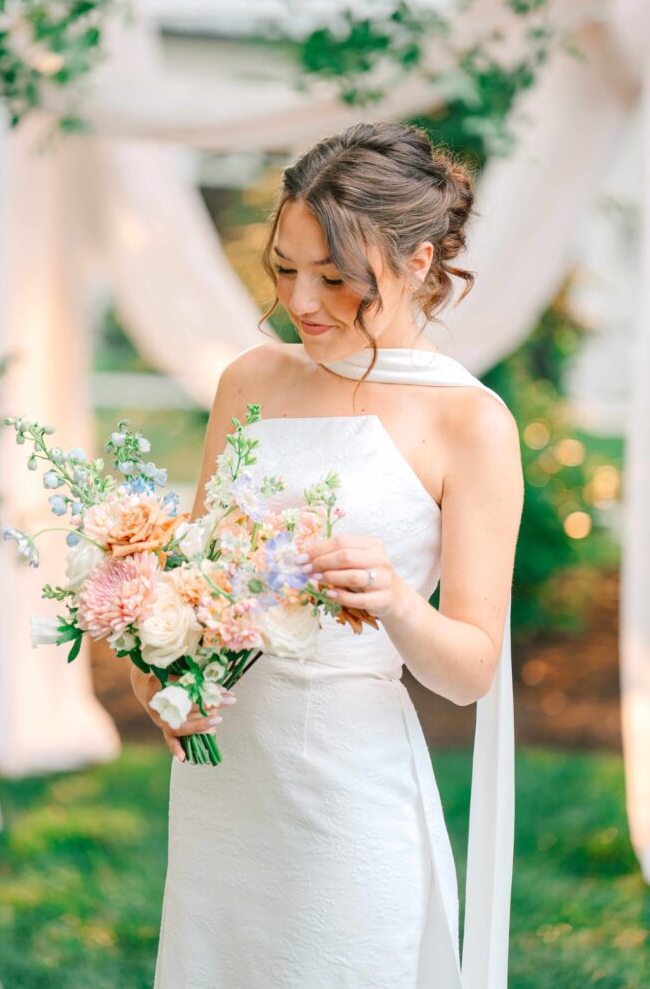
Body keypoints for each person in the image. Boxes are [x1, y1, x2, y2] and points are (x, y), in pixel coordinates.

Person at [131, 121, 524, 988]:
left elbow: (470, 671)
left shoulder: (470, 424)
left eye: (336, 278)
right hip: (222, 787)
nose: (300, 301)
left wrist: (392, 601)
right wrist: (154, 682)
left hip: (347, 795)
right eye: (283, 267)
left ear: (418, 262)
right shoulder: (251, 380)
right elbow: (188, 592)